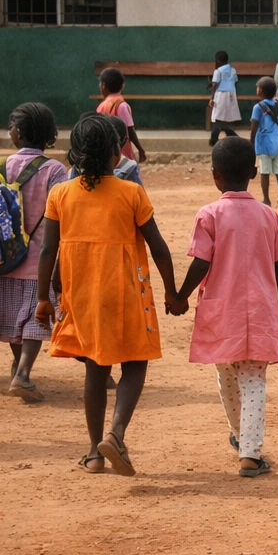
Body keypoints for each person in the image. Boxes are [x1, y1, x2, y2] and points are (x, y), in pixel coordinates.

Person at [37, 114, 179, 475]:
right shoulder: (131, 193)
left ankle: (93, 452)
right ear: (117, 154)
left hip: (82, 294)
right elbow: (159, 248)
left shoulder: (60, 194)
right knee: (135, 361)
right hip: (126, 292)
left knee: (95, 368)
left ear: (74, 155)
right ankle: (115, 433)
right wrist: (173, 293)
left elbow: (48, 251)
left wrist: (43, 298)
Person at [175, 137, 278, 477]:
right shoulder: (268, 215)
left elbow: (200, 262)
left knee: (226, 377)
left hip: (221, 312)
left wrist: (180, 296)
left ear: (216, 175)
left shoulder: (209, 214)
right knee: (253, 380)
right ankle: (250, 453)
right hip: (260, 311)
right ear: (254, 173)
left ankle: (242, 437)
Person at [0, 103, 67, 402]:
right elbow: (63, 212)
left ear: (17, 133)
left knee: (12, 317)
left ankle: (18, 367)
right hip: (38, 260)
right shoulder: (54, 170)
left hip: (0, 258)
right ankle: (23, 372)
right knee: (35, 319)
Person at [96, 67, 148, 165]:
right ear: (122, 86)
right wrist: (140, 149)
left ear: (103, 86)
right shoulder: (122, 105)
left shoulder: (101, 106)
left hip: (107, 154)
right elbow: (130, 130)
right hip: (122, 154)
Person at [249, 77, 278, 205]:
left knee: (265, 173)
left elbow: (254, 126)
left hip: (264, 144)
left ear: (261, 91)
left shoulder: (258, 107)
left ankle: (266, 199)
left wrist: (251, 142)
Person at [208, 51, 241, 146]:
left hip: (220, 96)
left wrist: (211, 98)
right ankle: (232, 138)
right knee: (225, 119)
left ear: (218, 61)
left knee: (217, 118)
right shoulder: (233, 70)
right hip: (231, 95)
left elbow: (215, 85)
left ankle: (214, 140)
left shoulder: (217, 71)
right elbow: (235, 82)